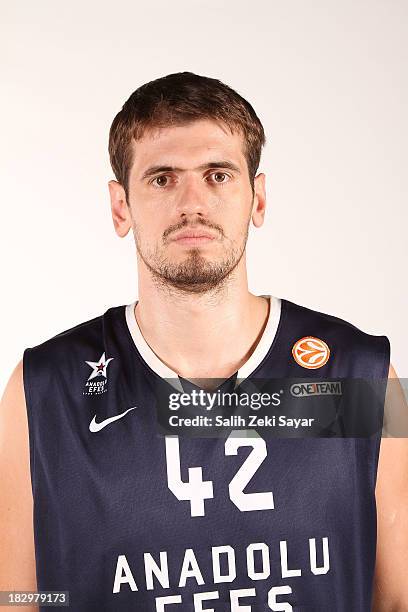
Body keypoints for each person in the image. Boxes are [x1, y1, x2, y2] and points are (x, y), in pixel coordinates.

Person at [0, 71, 406, 612]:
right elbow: (20, 597)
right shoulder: (44, 391)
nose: (193, 202)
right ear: (120, 207)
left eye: (218, 175)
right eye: (163, 178)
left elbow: (397, 598)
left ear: (257, 199)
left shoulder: (362, 378)